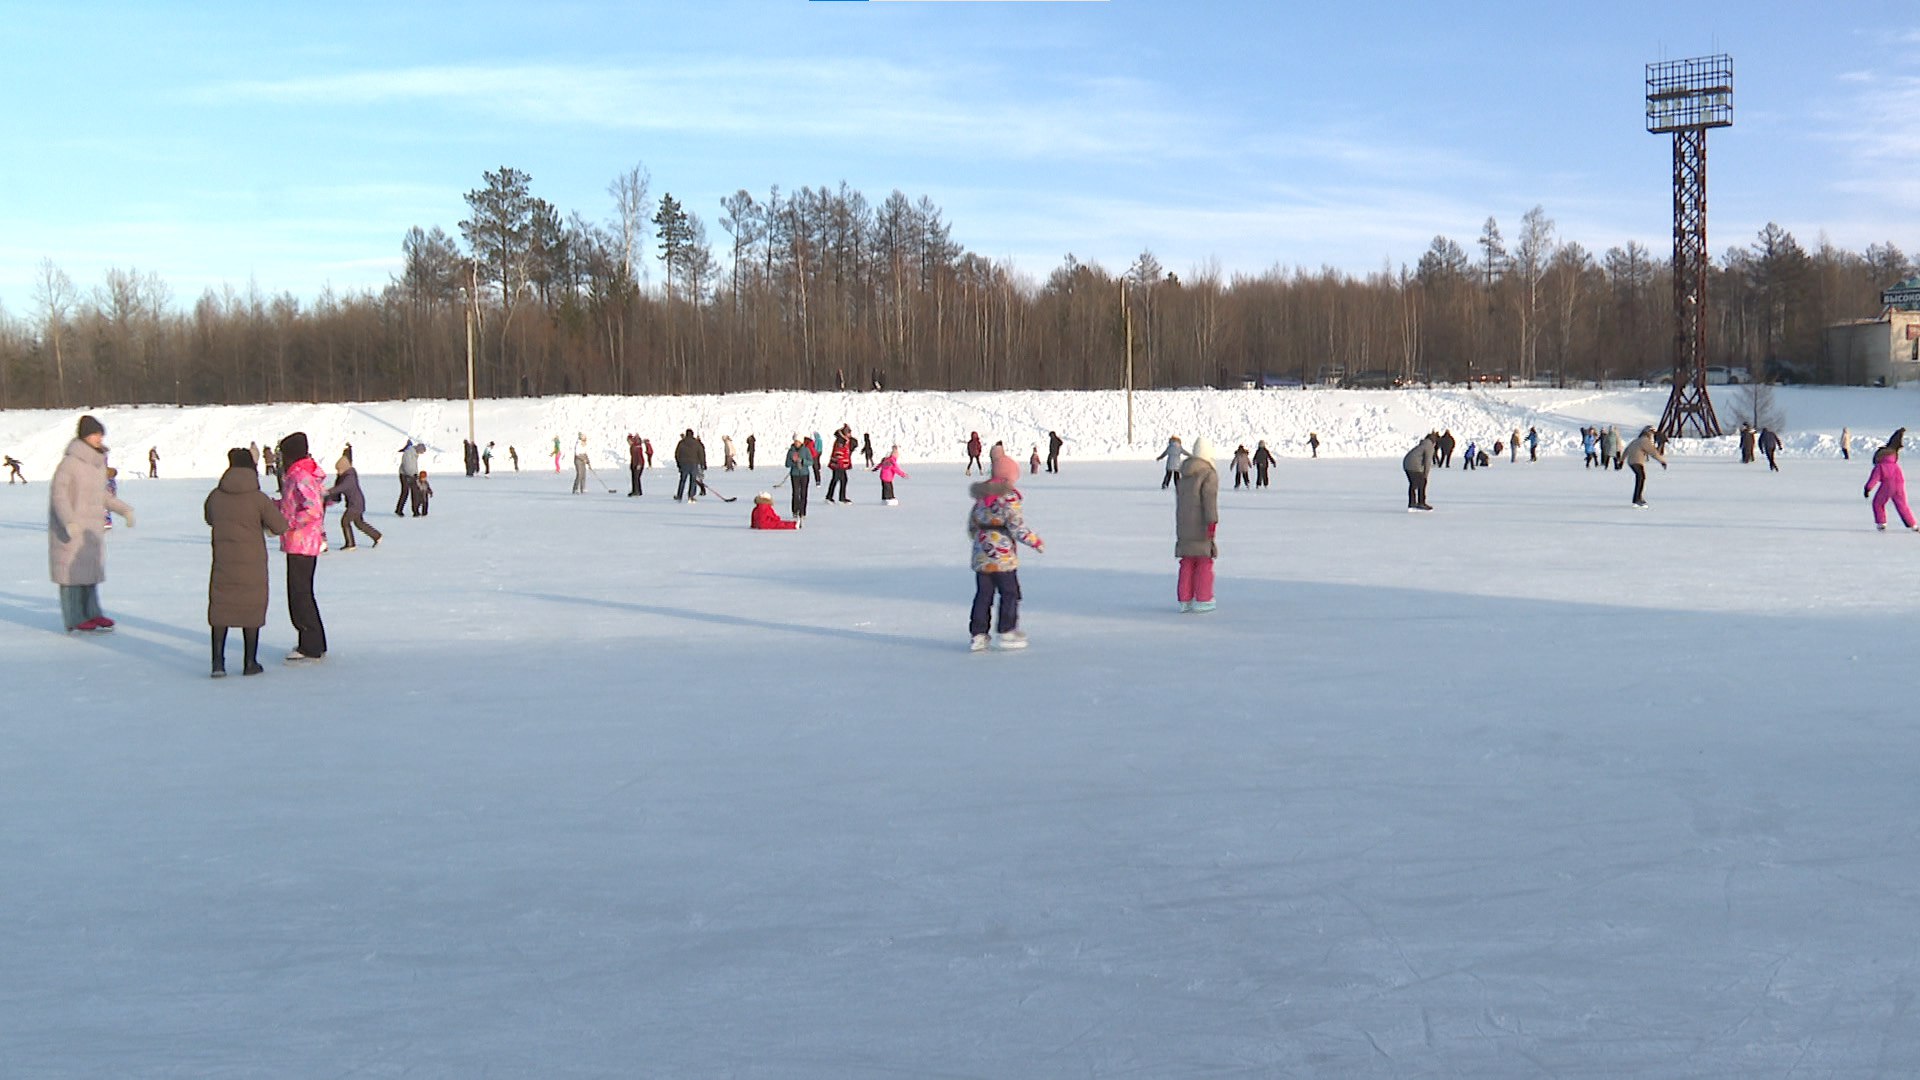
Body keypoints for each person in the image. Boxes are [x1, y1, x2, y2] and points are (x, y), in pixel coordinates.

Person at [205, 447, 288, 677]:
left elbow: (209, 518)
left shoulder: (215, 495)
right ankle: (249, 662)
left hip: (223, 561)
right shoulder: (258, 498)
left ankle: (218, 663)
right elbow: (280, 526)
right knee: (251, 609)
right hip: (252, 564)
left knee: (220, 609)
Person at [49, 415, 134, 633]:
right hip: (71, 529)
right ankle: (75, 618)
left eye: (100, 434)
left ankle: (93, 613)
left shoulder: (96, 464)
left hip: (90, 529)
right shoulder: (70, 463)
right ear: (84, 436)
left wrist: (123, 509)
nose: (99, 438)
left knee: (89, 573)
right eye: (95, 434)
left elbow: (102, 495)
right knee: (71, 576)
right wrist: (68, 521)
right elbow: (59, 496)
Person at [967, 452, 1044, 651]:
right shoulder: (1009, 498)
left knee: (983, 595)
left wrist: (981, 541)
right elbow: (1016, 526)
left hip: (982, 556)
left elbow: (972, 525)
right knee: (1010, 593)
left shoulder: (981, 497)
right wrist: (1035, 542)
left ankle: (979, 634)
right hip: (1003, 558)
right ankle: (1007, 629)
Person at [276, 431, 328, 661]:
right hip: (301, 542)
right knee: (301, 593)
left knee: (299, 594)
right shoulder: (299, 475)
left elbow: (312, 508)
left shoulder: (300, 476)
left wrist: (289, 524)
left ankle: (310, 644)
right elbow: (293, 503)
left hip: (302, 542)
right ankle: (315, 640)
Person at [1175, 437, 1221, 612]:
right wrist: (1212, 522)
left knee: (1187, 562)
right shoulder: (1208, 474)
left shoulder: (1184, 474)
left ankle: (1184, 599)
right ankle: (1203, 598)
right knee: (1204, 562)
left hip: (1184, 527)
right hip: (1200, 526)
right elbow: (1209, 500)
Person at [324, 456, 381, 550]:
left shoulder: (349, 478)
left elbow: (341, 488)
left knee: (345, 521)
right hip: (356, 503)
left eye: (339, 470)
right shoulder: (346, 476)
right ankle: (377, 536)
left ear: (345, 468)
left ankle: (350, 544)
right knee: (359, 523)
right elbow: (338, 489)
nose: (338, 472)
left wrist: (327, 492)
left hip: (355, 504)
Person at [1865, 429, 1915, 531]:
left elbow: (1874, 479)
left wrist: (1867, 489)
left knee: (1878, 503)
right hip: (1899, 486)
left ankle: (1881, 523)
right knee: (1902, 505)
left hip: (1887, 486)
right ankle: (1913, 525)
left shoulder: (1880, 466)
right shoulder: (1895, 465)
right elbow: (1901, 478)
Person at [1624, 424, 1667, 507]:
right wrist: (1662, 461)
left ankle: (1636, 499)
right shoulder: (1645, 441)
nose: (1652, 435)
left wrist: (1621, 460)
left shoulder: (1637, 440)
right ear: (1648, 433)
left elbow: (1627, 449)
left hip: (1631, 462)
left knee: (1640, 477)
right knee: (1641, 478)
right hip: (1637, 461)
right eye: (1651, 433)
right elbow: (1653, 452)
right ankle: (1638, 499)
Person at [784, 434, 814, 521]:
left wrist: (803, 461)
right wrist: (794, 463)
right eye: (795, 441)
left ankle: (802, 511)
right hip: (795, 475)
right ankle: (795, 510)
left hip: (804, 474)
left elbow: (811, 462)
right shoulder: (791, 451)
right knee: (796, 493)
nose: (796, 443)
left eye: (798, 441)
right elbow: (787, 464)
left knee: (804, 493)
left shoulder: (806, 450)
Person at [1403, 432, 1435, 511]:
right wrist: (1425, 475)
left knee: (1413, 484)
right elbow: (1427, 462)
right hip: (1414, 465)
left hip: (1406, 464)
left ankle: (1412, 502)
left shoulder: (1423, 444)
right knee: (1422, 483)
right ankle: (1421, 503)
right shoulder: (1429, 446)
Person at [673, 429, 705, 501]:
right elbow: (701, 454)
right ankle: (691, 496)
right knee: (693, 481)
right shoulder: (696, 443)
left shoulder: (681, 443)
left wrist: (678, 464)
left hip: (684, 464)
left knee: (682, 480)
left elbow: (677, 454)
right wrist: (703, 464)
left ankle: (679, 495)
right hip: (694, 464)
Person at [825, 428, 854, 503]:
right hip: (838, 465)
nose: (850, 435)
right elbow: (839, 453)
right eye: (849, 433)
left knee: (840, 479)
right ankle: (838, 497)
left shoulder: (844, 440)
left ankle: (831, 496)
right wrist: (841, 464)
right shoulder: (841, 441)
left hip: (840, 465)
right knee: (839, 479)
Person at [395, 438, 421, 516]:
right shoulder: (408, 453)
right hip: (405, 475)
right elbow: (407, 465)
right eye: (421, 451)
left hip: (412, 475)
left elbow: (414, 466)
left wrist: (416, 474)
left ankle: (415, 511)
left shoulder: (414, 454)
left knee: (415, 492)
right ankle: (399, 510)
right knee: (405, 492)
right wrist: (411, 474)